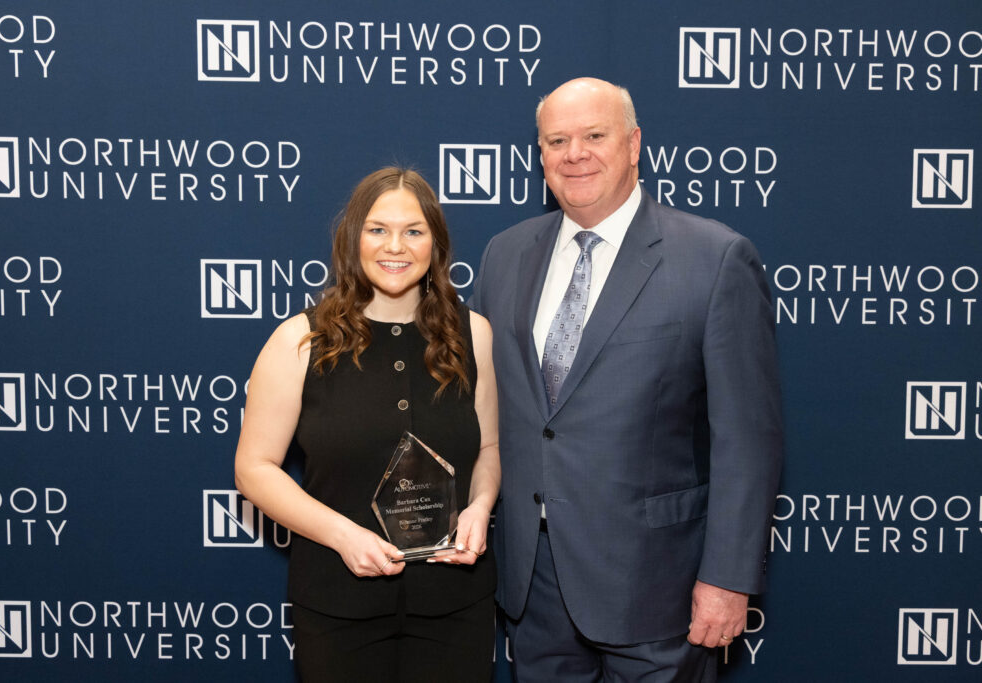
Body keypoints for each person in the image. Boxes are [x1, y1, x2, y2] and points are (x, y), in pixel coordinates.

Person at [471, 77, 783, 681]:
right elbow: (486, 408)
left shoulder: (715, 258)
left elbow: (748, 438)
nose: (574, 154)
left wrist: (728, 577)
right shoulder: (504, 255)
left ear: (634, 144)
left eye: (594, 135)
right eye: (556, 140)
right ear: (539, 154)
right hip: (533, 582)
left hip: (658, 584)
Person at [235, 167, 500, 682]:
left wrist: (481, 506)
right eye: (377, 229)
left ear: (435, 244)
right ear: (352, 237)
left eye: (413, 231)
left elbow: (489, 448)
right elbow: (254, 468)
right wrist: (342, 535)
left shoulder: (475, 336)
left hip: (455, 604)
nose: (394, 246)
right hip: (338, 604)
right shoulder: (300, 340)